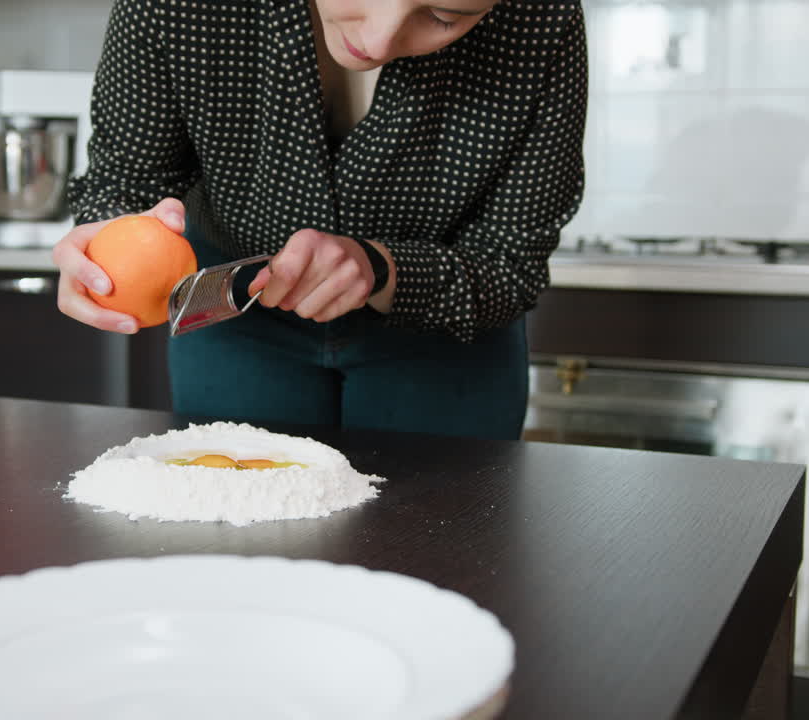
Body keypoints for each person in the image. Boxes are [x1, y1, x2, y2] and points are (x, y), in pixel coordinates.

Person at [54, 0, 587, 439]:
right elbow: (126, 182)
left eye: (446, 16)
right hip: (238, 322)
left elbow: (509, 266)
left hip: (446, 340)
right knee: (236, 549)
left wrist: (381, 268)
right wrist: (106, 237)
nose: (377, 43)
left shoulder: (541, 19)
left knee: (442, 552)